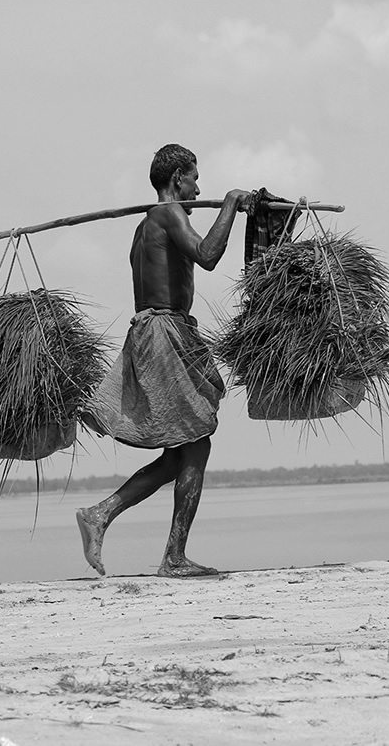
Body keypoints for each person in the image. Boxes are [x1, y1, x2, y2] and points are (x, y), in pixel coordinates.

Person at [78, 143, 249, 578]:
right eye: (194, 177)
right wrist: (229, 203)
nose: (198, 186)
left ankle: (102, 514)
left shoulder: (144, 227)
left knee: (185, 451)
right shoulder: (168, 214)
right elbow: (207, 256)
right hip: (163, 332)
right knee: (198, 442)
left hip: (162, 330)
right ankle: (173, 556)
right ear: (177, 179)